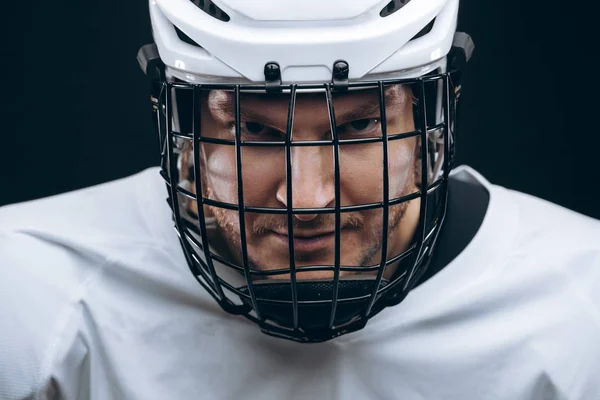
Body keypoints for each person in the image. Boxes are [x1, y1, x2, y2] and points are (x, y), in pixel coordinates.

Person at [1, 0, 599, 399]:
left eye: (359, 128)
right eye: (255, 132)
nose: (306, 199)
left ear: (431, 130)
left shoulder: (579, 309)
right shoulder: (34, 289)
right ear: (181, 136)